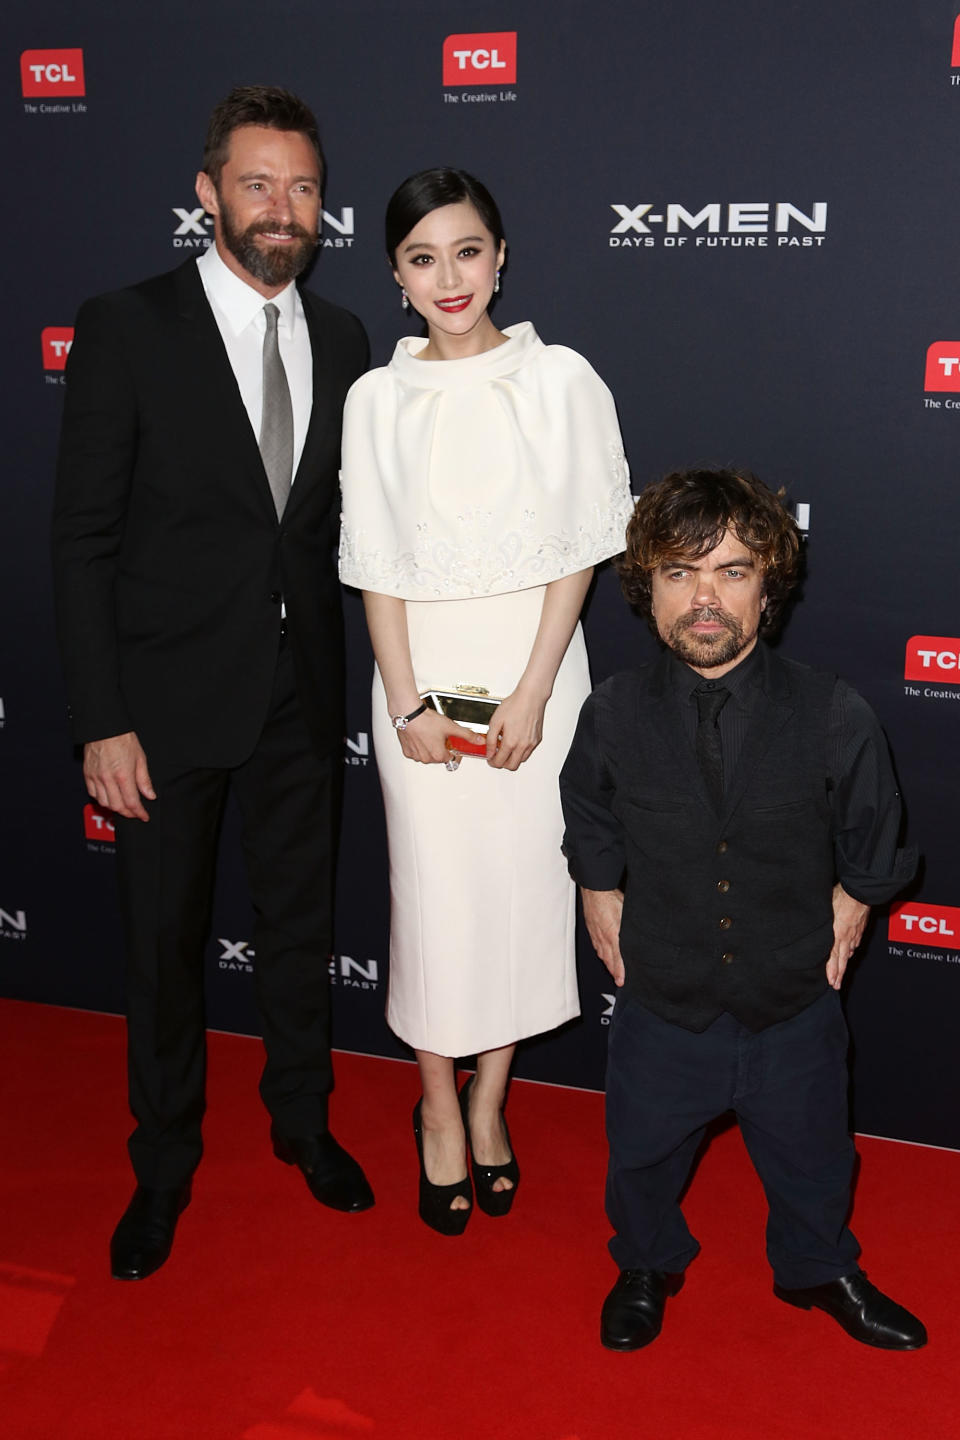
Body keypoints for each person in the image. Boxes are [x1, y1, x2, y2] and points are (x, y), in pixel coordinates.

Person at [51, 85, 374, 1282]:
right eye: (256, 184)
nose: (280, 209)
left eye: (300, 187)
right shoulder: (126, 325)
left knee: (301, 927)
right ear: (207, 196)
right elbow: (79, 539)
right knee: (162, 947)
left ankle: (302, 1123)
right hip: (166, 703)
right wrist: (102, 718)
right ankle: (164, 1164)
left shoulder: (343, 339)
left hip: (302, 692)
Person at [560, 467, 926, 1351]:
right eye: (680, 573)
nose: (705, 597)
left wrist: (859, 897)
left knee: (815, 1159)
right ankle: (645, 1260)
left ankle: (816, 1266)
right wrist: (596, 883)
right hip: (665, 996)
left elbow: (876, 826)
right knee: (640, 1155)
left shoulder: (834, 711)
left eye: (731, 570)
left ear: (771, 584)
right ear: (648, 591)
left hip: (791, 1000)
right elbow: (590, 809)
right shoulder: (610, 713)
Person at [339, 168, 633, 1234]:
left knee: (519, 897)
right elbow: (374, 563)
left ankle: (492, 1100)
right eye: (423, 258)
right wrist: (408, 702)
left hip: (535, 673)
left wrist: (535, 692)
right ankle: (434, 1106)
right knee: (436, 900)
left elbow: (579, 556)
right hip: (419, 677)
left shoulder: (561, 381)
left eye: (467, 251)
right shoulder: (376, 398)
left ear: (501, 255)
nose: (449, 278)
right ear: (396, 277)